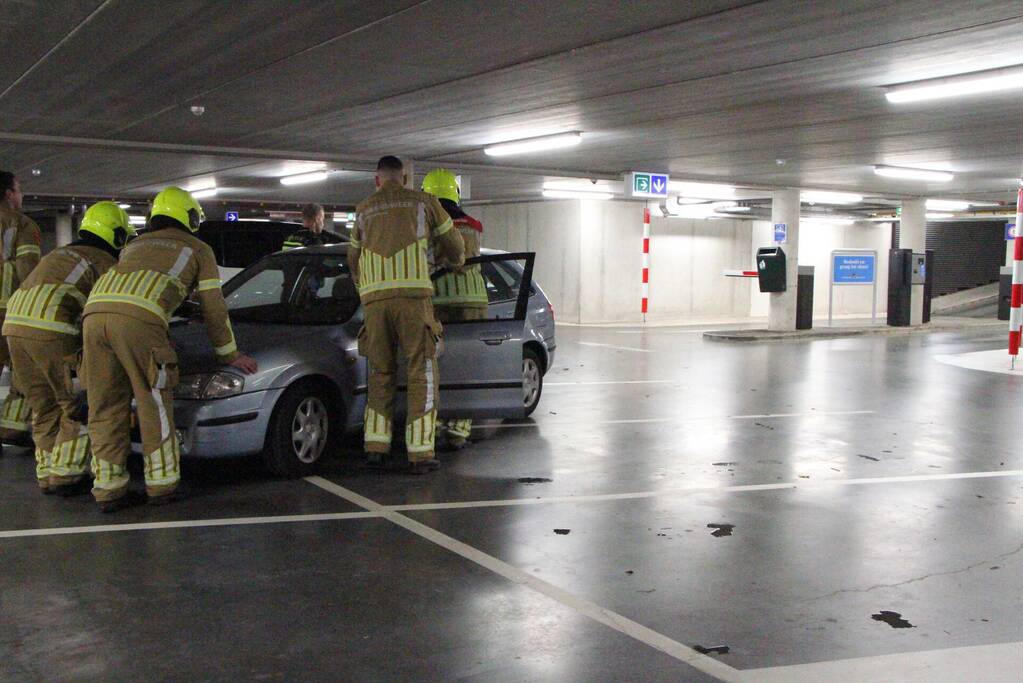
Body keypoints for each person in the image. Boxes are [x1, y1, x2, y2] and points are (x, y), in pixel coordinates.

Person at [81, 186, 257, 512]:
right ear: (188, 217)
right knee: (153, 402)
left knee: (104, 405)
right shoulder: (199, 249)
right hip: (140, 322)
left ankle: (108, 489)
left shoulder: (134, 245)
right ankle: (161, 485)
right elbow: (214, 309)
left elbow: (143, 285)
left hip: (93, 317)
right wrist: (230, 354)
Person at [2, 202, 134, 494]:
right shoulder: (103, 263)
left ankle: (47, 474)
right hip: (54, 332)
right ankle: (66, 475)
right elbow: (108, 310)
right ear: (115, 236)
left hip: (14, 329)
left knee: (43, 406)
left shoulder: (58, 253)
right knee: (76, 405)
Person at [348, 156, 464, 474]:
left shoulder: (363, 209)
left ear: (377, 180)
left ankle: (375, 446)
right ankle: (420, 453)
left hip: (374, 305)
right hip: (414, 299)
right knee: (421, 374)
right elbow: (453, 242)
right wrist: (454, 261)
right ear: (405, 178)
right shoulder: (423, 202)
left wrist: (368, 290)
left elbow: (353, 259)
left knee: (380, 374)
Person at [421, 169, 488, 451]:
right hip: (474, 301)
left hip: (439, 300)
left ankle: (434, 427)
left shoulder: (429, 223)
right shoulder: (472, 224)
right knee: (467, 367)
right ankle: (459, 430)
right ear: (455, 193)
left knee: (436, 368)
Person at [0, 171, 42, 452]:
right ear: (8, 194)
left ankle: (11, 428)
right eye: (19, 189)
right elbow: (30, 271)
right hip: (8, 309)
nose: (21, 195)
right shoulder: (22, 224)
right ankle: (12, 427)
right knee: (25, 368)